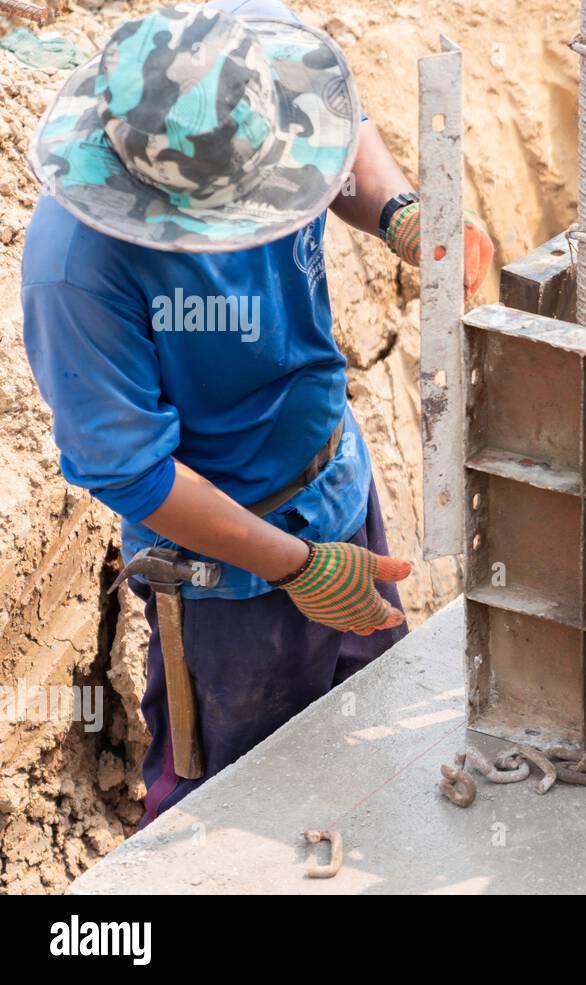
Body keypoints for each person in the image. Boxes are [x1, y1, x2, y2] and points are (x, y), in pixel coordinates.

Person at [21, 0, 492, 824]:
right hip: (225, 587)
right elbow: (130, 468)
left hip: (336, 483)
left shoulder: (251, 71)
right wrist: (293, 567)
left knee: (380, 754)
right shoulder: (76, 268)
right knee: (243, 815)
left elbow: (345, 136)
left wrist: (399, 212)